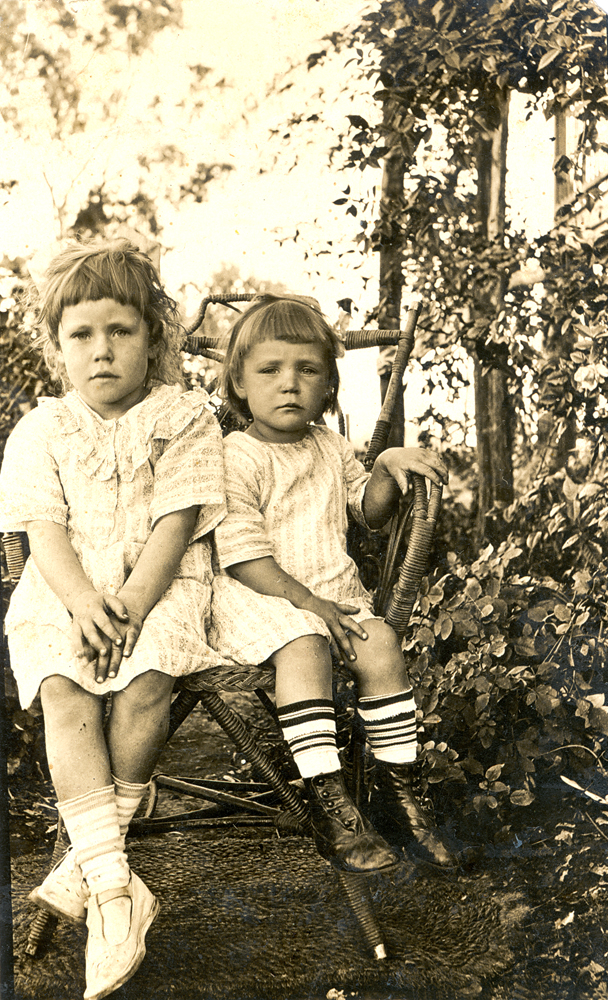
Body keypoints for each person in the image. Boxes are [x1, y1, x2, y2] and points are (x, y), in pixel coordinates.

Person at [0, 238, 226, 1000]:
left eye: (120, 331)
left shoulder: (183, 415)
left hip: (159, 586)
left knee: (145, 680)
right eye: (82, 335)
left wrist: (129, 606)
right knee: (64, 690)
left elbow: (176, 520)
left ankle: (88, 867)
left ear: (152, 336)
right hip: (66, 589)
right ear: (57, 346)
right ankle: (118, 888)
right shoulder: (43, 429)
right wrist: (86, 603)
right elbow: (42, 530)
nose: (102, 351)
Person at [210, 293, 455, 876]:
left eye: (307, 370)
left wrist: (388, 463)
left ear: (328, 387)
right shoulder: (234, 456)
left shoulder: (328, 446)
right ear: (240, 384)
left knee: (382, 645)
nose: (289, 384)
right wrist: (310, 606)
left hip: (331, 595)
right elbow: (242, 556)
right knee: (306, 643)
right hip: (260, 599)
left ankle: (401, 797)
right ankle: (330, 803)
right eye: (269, 370)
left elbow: (366, 510)